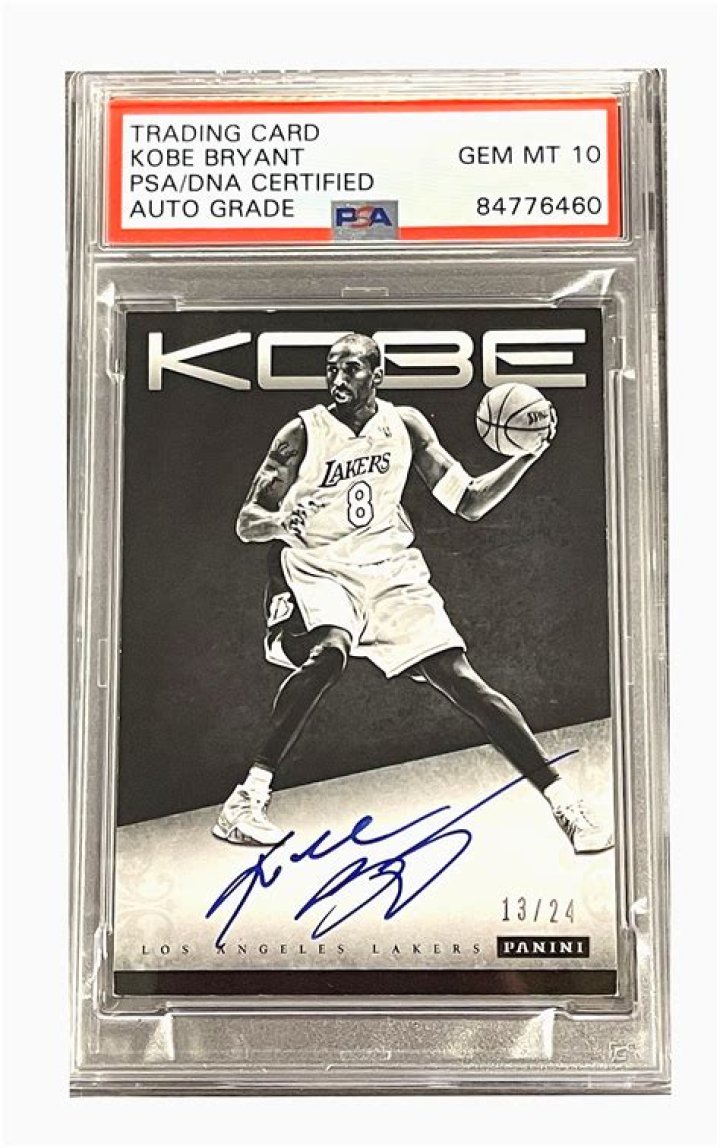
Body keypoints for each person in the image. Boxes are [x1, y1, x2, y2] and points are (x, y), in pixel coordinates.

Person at [213, 333, 613, 855]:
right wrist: (279, 522)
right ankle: (246, 799)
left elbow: (469, 501)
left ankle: (565, 805)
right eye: (332, 368)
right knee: (330, 652)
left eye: (352, 369)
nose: (338, 378)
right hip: (318, 567)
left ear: (377, 375)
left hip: (390, 572)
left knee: (463, 681)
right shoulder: (302, 433)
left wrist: (526, 456)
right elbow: (247, 521)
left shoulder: (405, 426)